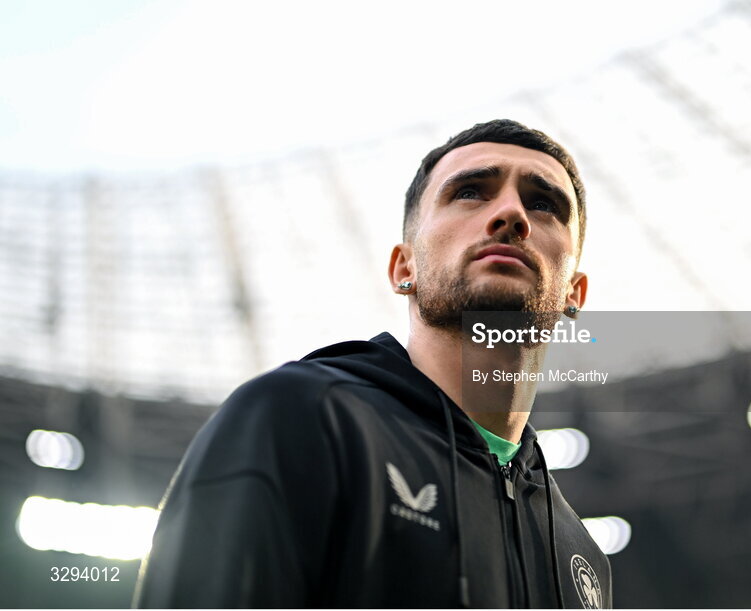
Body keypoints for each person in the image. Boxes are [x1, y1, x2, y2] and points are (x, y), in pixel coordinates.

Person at [133, 119, 613, 608]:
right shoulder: (299, 416)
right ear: (405, 268)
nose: (511, 213)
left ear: (574, 294)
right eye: (471, 192)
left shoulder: (583, 556)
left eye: (542, 203)